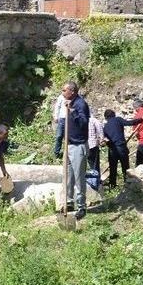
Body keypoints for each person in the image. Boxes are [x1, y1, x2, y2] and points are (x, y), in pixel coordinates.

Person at [61, 82, 90, 219]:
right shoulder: (70, 103)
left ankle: (81, 207)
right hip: (69, 144)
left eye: (64, 90)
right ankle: (69, 202)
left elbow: (84, 123)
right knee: (68, 177)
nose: (62, 92)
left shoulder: (80, 104)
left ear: (72, 91)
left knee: (79, 177)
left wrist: (73, 113)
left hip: (78, 146)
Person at [102, 109, 143, 188]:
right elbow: (129, 123)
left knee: (113, 167)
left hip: (112, 149)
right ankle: (127, 184)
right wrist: (141, 119)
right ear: (114, 115)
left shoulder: (105, 127)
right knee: (125, 166)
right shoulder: (118, 120)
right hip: (121, 147)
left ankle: (112, 185)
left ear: (106, 117)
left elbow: (105, 140)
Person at [52, 84, 69, 158]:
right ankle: (56, 153)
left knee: (68, 137)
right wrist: (56, 116)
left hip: (70, 120)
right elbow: (57, 107)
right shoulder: (60, 97)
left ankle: (67, 154)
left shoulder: (72, 98)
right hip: (62, 119)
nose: (63, 92)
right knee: (59, 136)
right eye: (62, 90)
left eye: (64, 90)